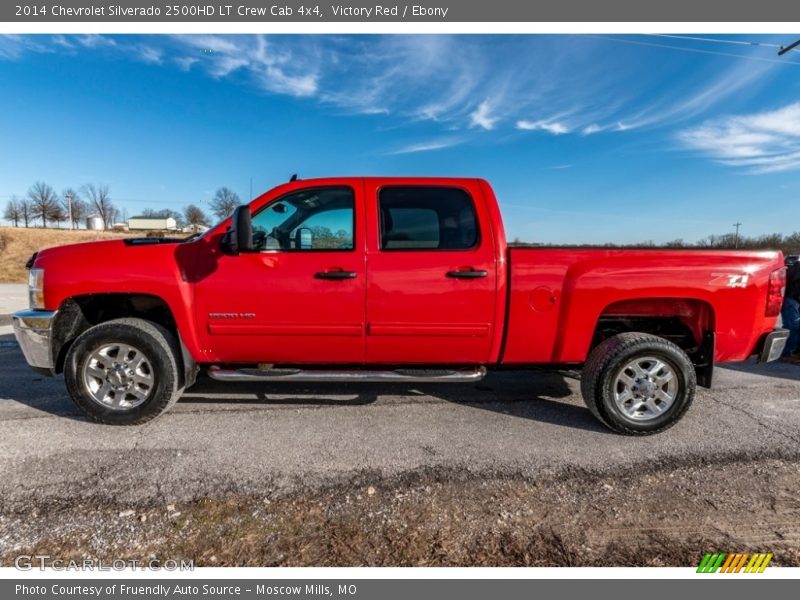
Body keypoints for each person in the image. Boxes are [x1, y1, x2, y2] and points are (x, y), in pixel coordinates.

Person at [781, 258, 800, 363]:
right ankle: (787, 353)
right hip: (792, 299)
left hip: (794, 298)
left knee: (794, 326)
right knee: (792, 326)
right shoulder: (796, 267)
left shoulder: (795, 266)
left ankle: (793, 352)